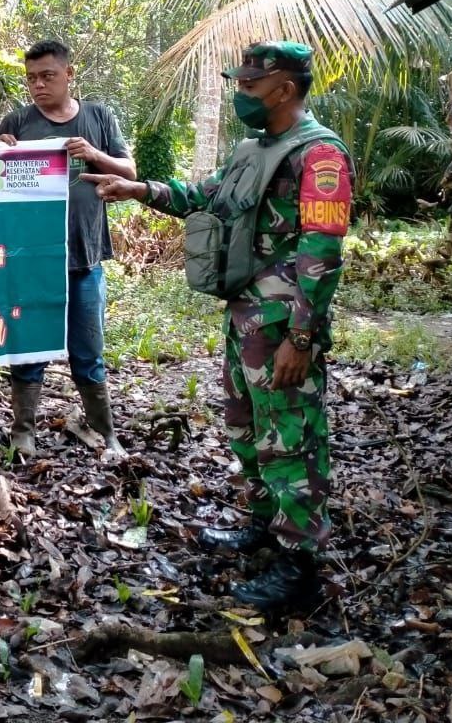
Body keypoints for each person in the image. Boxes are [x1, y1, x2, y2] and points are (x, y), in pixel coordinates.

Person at [84, 40, 351, 611]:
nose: (241, 95)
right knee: (246, 427)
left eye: (250, 86)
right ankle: (265, 525)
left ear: (285, 88)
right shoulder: (254, 149)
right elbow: (208, 198)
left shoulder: (319, 154)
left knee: (291, 437)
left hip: (284, 324)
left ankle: (300, 567)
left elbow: (321, 251)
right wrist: (140, 190)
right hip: (246, 315)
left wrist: (301, 337)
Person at [0, 39, 135, 457]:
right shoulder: (17, 122)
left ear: (69, 75)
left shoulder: (98, 117)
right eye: (31, 79)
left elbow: (129, 171)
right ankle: (23, 430)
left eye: (47, 76)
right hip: (31, 260)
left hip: (85, 258)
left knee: (88, 350)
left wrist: (94, 154)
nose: (38, 85)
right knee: (28, 347)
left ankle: (104, 430)